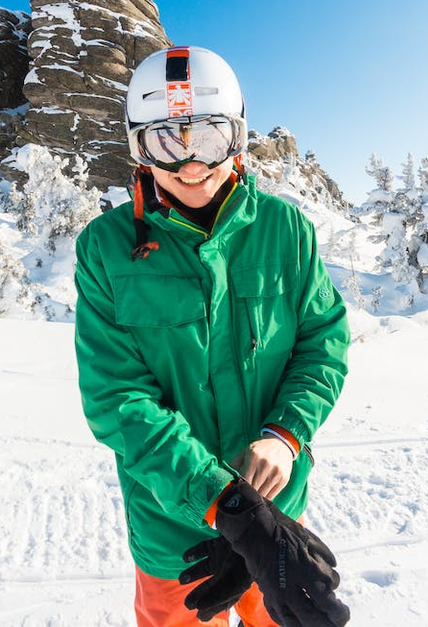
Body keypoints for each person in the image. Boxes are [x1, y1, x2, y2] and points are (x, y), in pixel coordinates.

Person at [74, 45, 350, 626]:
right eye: (164, 143)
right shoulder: (105, 247)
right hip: (176, 528)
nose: (190, 166)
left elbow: (322, 340)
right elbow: (117, 398)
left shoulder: (286, 230)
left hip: (276, 521)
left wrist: (285, 433)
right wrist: (220, 502)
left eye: (207, 139)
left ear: (239, 136)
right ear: (137, 148)